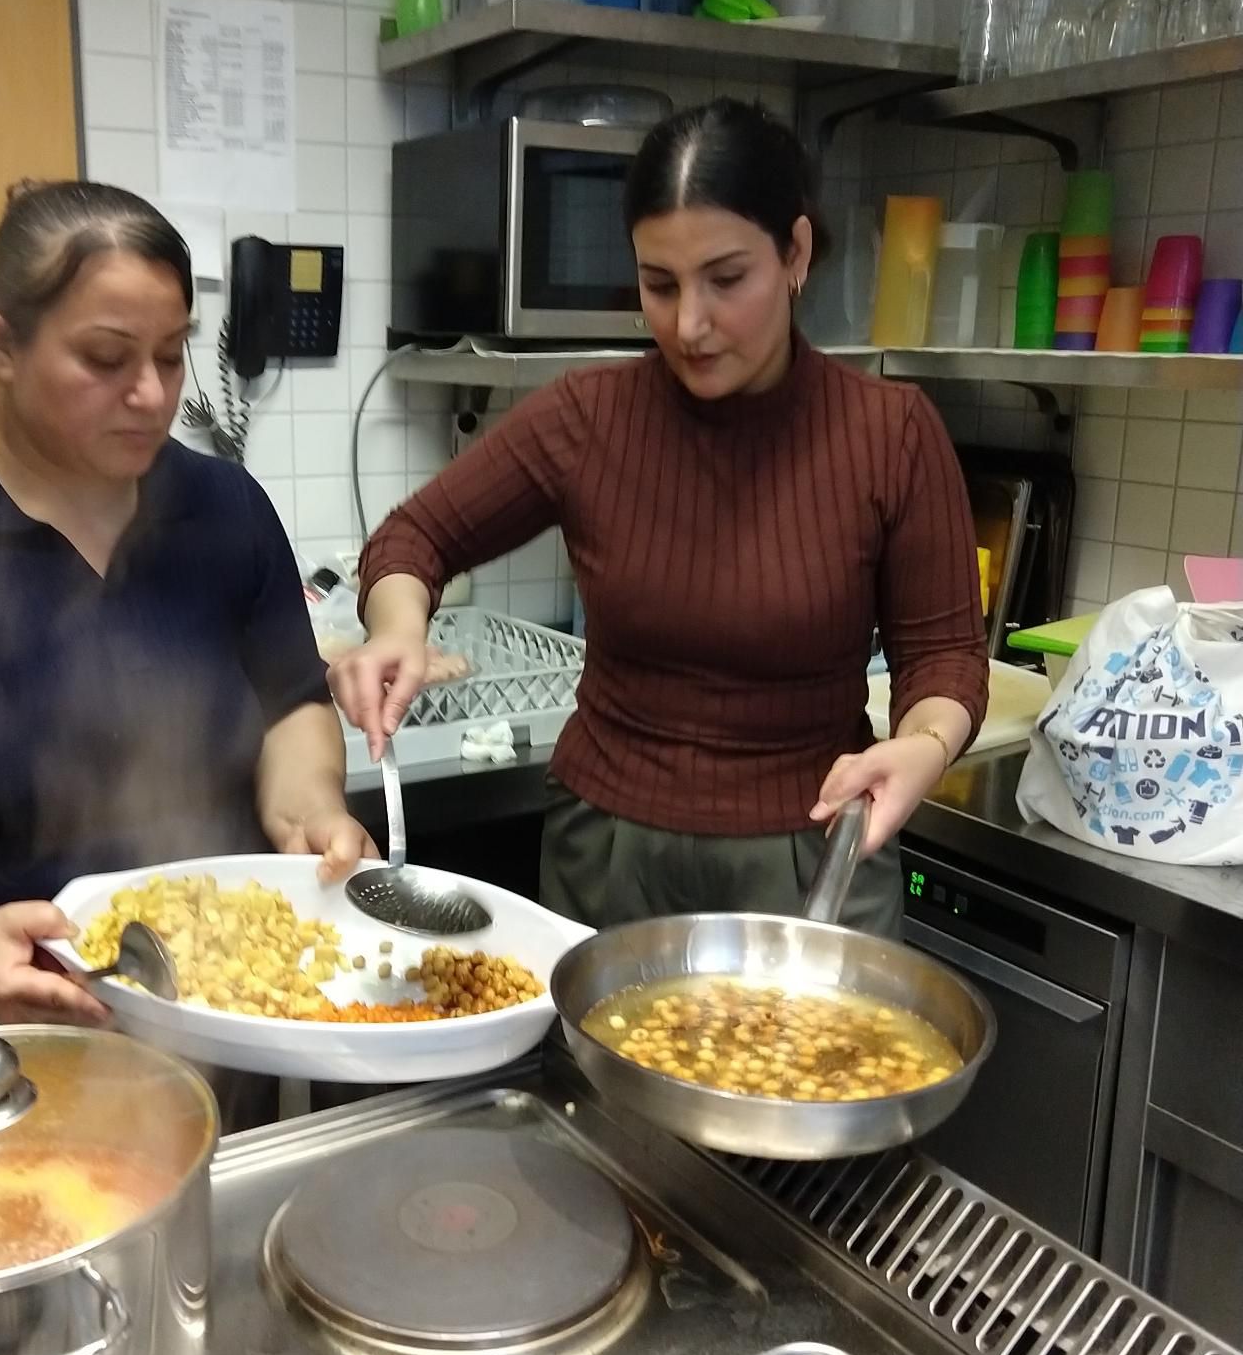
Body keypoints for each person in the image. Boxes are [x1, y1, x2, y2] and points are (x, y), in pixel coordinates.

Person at [331, 99, 987, 938]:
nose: (689, 324)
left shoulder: (891, 434)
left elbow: (945, 660)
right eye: (659, 283)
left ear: (796, 252)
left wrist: (923, 746)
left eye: (726, 280)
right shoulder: (588, 418)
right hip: (607, 857)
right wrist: (397, 627)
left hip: (813, 852)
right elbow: (411, 540)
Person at [0, 181, 373, 1073]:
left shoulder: (225, 508)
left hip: (216, 1010)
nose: (151, 393)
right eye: (105, 357)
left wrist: (309, 810)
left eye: (172, 357)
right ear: (2, 347)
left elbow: (291, 704)